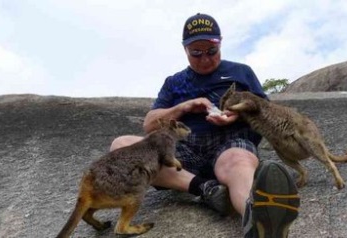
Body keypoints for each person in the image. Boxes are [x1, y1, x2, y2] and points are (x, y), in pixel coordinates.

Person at [110, 13, 300, 238]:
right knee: (121, 146)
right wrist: (184, 107)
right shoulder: (174, 82)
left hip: (231, 144)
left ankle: (258, 220)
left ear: (220, 43)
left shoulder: (241, 72)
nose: (205, 59)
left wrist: (236, 116)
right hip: (184, 151)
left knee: (236, 160)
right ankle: (205, 189)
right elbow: (150, 124)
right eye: (196, 53)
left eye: (212, 51)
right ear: (185, 50)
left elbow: (267, 114)